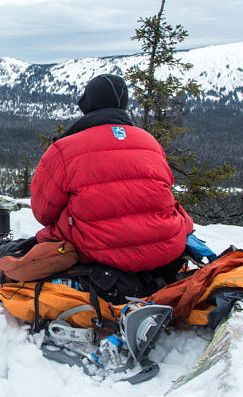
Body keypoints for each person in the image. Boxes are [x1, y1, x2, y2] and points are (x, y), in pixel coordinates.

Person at [30, 74, 193, 272]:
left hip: (96, 252)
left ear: (88, 103)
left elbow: (43, 212)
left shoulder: (64, 149)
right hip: (165, 248)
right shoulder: (150, 142)